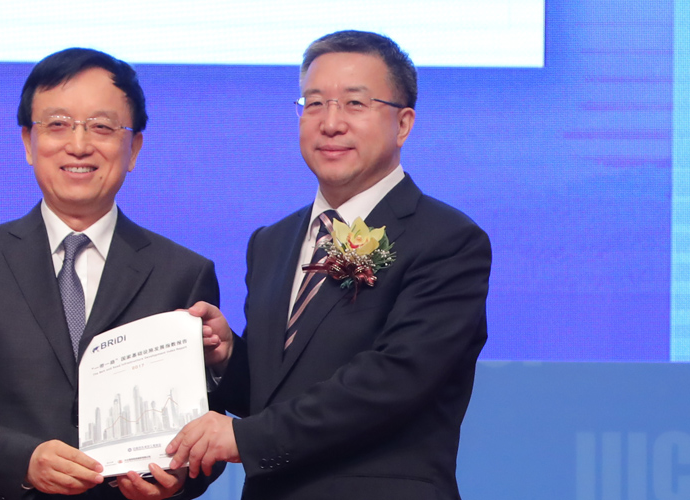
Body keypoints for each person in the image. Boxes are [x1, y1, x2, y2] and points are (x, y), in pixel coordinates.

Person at [166, 30, 492, 500]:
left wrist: (245, 439)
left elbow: (395, 381)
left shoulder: (447, 240)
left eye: (355, 104)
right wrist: (228, 356)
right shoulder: (272, 242)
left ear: (403, 124)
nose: (331, 123)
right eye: (314, 103)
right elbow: (272, 394)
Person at [0, 48, 223, 500]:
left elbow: (208, 427)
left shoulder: (183, 272)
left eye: (102, 127)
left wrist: (179, 483)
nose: (78, 145)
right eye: (57, 124)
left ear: (133, 148)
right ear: (27, 142)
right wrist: (24, 461)